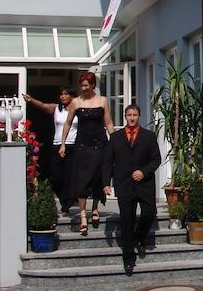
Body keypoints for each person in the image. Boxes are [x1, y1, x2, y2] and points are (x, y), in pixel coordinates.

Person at [103, 104, 161, 275]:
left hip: (144, 184)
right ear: (125, 116)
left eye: (135, 114)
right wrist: (106, 183)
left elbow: (156, 159)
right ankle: (129, 258)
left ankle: (140, 237)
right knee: (127, 221)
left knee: (149, 213)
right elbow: (107, 161)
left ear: (139, 116)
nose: (132, 117)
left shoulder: (149, 136)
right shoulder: (115, 137)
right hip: (124, 184)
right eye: (129, 115)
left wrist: (144, 172)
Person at [59, 72, 115, 236]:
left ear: (92, 85)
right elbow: (68, 123)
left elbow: (109, 122)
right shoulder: (76, 102)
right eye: (81, 85)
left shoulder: (102, 100)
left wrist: (116, 141)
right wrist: (63, 143)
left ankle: (95, 208)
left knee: (98, 177)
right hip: (82, 145)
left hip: (100, 144)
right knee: (82, 179)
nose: (83, 88)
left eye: (86, 85)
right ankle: (83, 214)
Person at [22, 86, 77, 215]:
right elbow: (43, 105)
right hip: (57, 145)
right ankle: (65, 199)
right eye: (61, 94)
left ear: (72, 96)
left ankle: (66, 205)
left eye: (66, 94)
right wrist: (31, 100)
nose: (63, 96)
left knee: (69, 176)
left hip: (73, 145)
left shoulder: (78, 109)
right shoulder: (57, 108)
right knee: (56, 176)